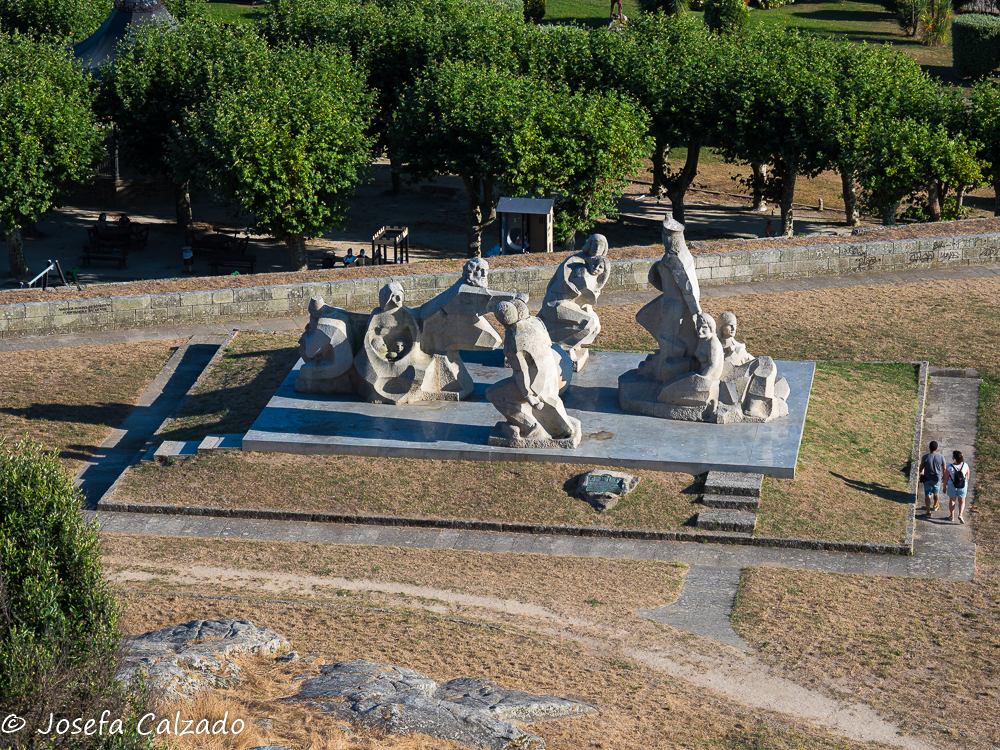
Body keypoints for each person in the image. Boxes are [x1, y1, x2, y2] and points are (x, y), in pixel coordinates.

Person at [919, 440, 946, 517]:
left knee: (927, 494)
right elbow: (944, 468)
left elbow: (921, 467)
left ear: (929, 447)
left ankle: (928, 512)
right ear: (937, 448)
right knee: (936, 492)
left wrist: (921, 471)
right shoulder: (941, 456)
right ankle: (935, 505)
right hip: (937, 478)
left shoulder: (925, 457)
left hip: (927, 478)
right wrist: (944, 476)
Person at [946, 450, 970, 524]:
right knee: (962, 501)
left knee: (952, 500)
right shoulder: (965, 465)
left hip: (952, 485)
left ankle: (952, 516)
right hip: (963, 485)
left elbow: (945, 477)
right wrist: (967, 483)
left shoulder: (949, 467)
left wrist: (944, 486)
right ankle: (960, 515)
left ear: (954, 458)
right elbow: (967, 474)